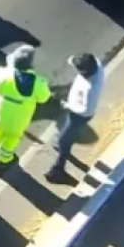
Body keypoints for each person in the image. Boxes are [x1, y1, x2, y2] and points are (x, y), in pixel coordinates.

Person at [0, 44, 52, 167]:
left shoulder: (1, 75)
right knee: (12, 138)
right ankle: (5, 158)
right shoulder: (39, 83)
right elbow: (44, 98)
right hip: (20, 120)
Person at [45, 53, 104, 183]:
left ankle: (58, 169)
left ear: (84, 72)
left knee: (64, 139)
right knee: (68, 135)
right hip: (75, 108)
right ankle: (64, 146)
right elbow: (71, 59)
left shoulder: (90, 89)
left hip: (79, 115)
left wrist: (68, 106)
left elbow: (86, 110)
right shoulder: (96, 65)